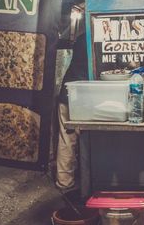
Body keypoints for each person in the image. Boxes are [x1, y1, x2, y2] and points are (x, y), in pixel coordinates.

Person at [55, 33, 87, 191]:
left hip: (70, 91)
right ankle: (90, 182)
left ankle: (64, 182)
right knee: (76, 138)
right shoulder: (102, 38)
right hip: (81, 95)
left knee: (67, 139)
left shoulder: (82, 37)